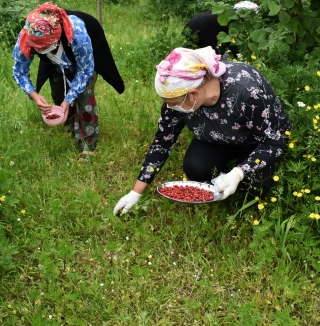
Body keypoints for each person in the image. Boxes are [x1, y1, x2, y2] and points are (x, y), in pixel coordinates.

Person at [113, 45, 291, 215]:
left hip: (257, 140)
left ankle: (237, 180)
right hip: (218, 137)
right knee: (195, 167)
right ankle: (222, 181)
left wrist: (239, 172)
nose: (169, 107)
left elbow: (273, 141)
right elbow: (162, 142)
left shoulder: (246, 90)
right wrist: (136, 192)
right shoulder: (177, 99)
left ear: (194, 95)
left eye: (173, 104)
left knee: (255, 184)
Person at [12, 2, 124, 156]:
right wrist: (34, 95)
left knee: (84, 95)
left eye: (45, 47)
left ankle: (87, 144)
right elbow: (19, 72)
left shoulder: (78, 34)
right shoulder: (27, 35)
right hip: (55, 59)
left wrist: (70, 98)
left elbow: (85, 70)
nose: (40, 51)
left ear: (57, 38)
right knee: (58, 92)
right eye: (37, 49)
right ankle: (71, 125)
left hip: (84, 55)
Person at [184, 1, 260, 53]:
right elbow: (232, 41)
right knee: (216, 55)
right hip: (200, 31)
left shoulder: (226, 13)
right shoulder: (233, 21)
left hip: (190, 29)